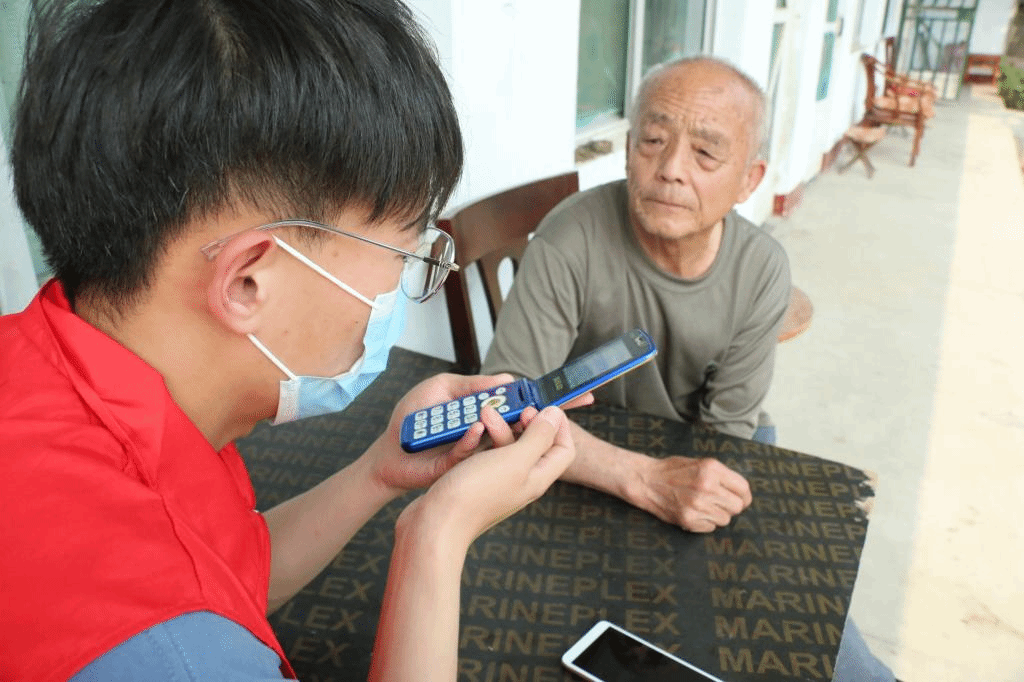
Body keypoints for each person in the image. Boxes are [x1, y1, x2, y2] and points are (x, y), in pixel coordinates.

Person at [0, 1, 579, 680]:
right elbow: (188, 620)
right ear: (248, 281)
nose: (404, 284)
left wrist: (378, 471)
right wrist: (437, 534)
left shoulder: (57, 363)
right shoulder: (173, 657)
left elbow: (225, 580)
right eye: (403, 253)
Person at [483, 57, 897, 682]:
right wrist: (639, 477)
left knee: (798, 629)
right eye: (653, 140)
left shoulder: (761, 270)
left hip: (713, 446)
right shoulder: (569, 238)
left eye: (706, 153)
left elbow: (725, 436)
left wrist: (677, 489)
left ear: (750, 179)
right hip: (590, 449)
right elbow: (505, 404)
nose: (671, 168)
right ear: (629, 150)